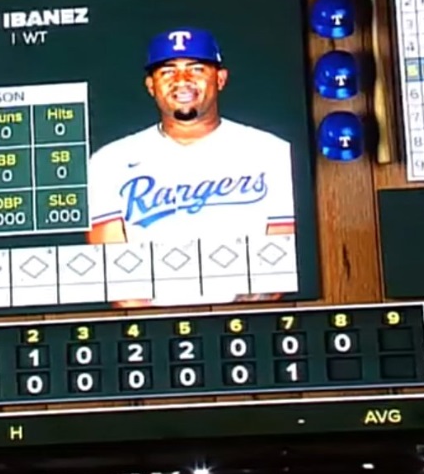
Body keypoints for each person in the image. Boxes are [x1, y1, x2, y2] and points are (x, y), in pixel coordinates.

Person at [87, 28, 296, 305]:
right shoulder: (109, 160)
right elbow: (113, 272)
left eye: (196, 69)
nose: (182, 81)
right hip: (153, 335)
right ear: (151, 85)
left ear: (220, 79)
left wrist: (229, 328)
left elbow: (280, 259)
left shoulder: (273, 152)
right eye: (168, 71)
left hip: (249, 331)